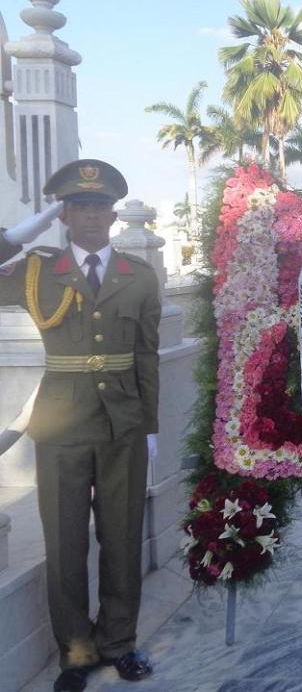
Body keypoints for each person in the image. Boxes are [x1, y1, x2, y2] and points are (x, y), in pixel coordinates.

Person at [0, 160, 160, 692]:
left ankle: (119, 642)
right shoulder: (36, 270)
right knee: (65, 542)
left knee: (121, 538)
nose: (90, 215)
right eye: (78, 207)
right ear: (63, 214)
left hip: (123, 426)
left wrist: (151, 426)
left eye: (99, 206)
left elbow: (146, 355)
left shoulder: (138, 276)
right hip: (62, 425)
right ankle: (77, 651)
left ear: (113, 214)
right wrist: (15, 237)